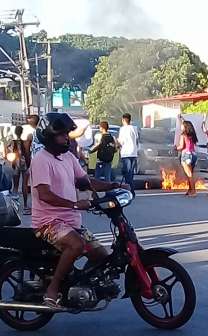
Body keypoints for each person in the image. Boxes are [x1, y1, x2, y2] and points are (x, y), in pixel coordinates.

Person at [31, 113, 127, 307]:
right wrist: (75, 204)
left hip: (71, 222)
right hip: (48, 223)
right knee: (76, 245)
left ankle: (80, 282)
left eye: (67, 133)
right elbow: (45, 195)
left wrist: (113, 185)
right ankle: (53, 288)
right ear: (49, 137)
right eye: (62, 135)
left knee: (102, 256)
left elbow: (85, 182)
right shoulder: (41, 159)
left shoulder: (68, 157)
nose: (67, 137)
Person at [9, 126, 30, 210]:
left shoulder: (11, 142)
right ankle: (25, 205)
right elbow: (27, 154)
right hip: (24, 163)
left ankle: (15, 205)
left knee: (15, 186)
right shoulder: (25, 142)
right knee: (24, 185)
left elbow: (8, 154)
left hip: (15, 163)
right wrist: (29, 164)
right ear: (22, 132)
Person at [117, 113, 139, 197]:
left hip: (126, 153)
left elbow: (121, 142)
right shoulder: (134, 128)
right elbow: (136, 139)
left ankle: (129, 191)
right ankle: (129, 190)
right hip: (133, 152)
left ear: (123, 120)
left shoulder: (122, 129)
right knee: (130, 173)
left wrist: (117, 142)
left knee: (127, 173)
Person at [177, 119, 198, 197]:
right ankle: (190, 190)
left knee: (189, 174)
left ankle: (193, 191)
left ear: (185, 127)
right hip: (193, 154)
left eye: (182, 126)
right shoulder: (192, 135)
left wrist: (176, 148)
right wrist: (181, 118)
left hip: (186, 154)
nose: (181, 127)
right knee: (190, 173)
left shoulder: (183, 135)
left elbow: (181, 146)